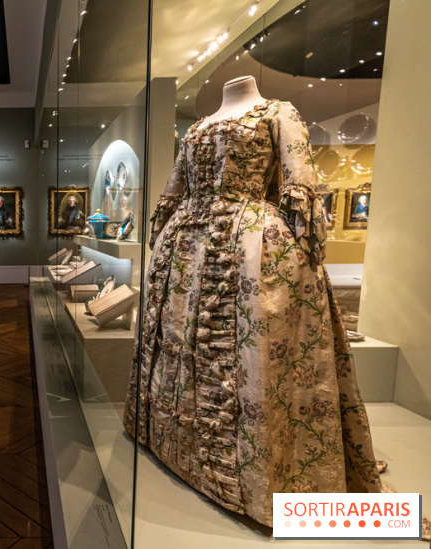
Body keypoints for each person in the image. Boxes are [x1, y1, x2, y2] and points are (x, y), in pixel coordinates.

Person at [124, 76, 381, 527]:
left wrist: (307, 256)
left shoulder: (279, 113)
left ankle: (250, 476)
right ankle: (178, 448)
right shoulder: (198, 127)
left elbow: (300, 180)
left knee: (246, 354)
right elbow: (174, 189)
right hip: (185, 245)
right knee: (176, 344)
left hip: (250, 246)